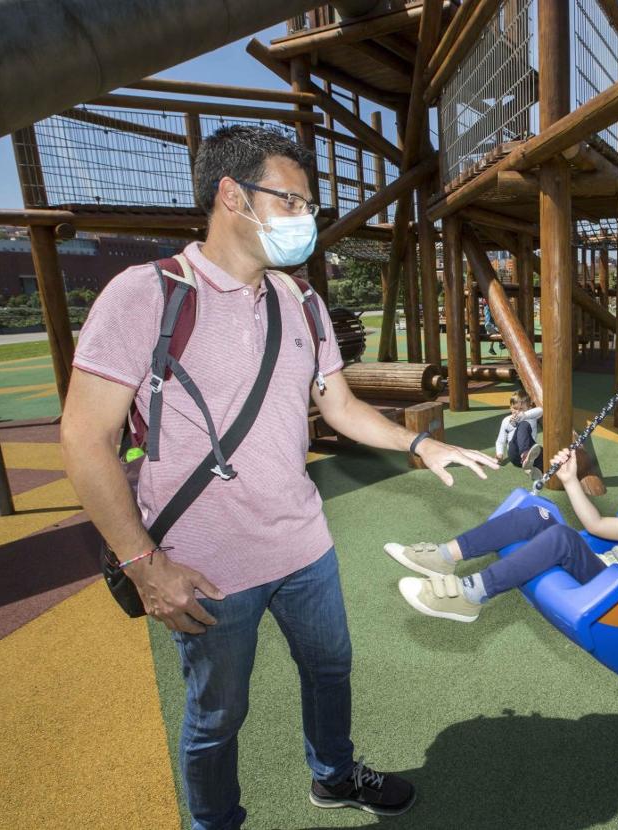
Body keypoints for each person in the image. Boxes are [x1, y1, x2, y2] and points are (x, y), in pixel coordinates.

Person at [60, 126, 498, 829]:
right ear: (233, 196)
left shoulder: (301, 301)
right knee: (216, 717)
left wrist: (421, 446)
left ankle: (332, 776)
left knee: (330, 672)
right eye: (291, 201)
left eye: (308, 206)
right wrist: (145, 566)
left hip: (303, 547)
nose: (306, 220)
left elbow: (340, 405)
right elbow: (85, 439)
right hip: (203, 567)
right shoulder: (145, 294)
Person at [383, 450, 618, 622]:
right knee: (533, 515)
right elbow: (599, 527)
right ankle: (443, 558)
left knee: (565, 541)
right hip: (599, 574)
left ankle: (468, 595)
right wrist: (570, 481)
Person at [494, 388, 543, 482]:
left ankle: (534, 470)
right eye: (515, 409)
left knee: (542, 451)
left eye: (521, 409)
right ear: (510, 408)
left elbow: (540, 410)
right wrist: (499, 454)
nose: (518, 412)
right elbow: (500, 441)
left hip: (531, 453)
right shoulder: (506, 421)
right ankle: (525, 455)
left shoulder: (531, 417)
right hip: (515, 454)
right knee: (523, 425)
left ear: (529, 408)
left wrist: (524, 415)